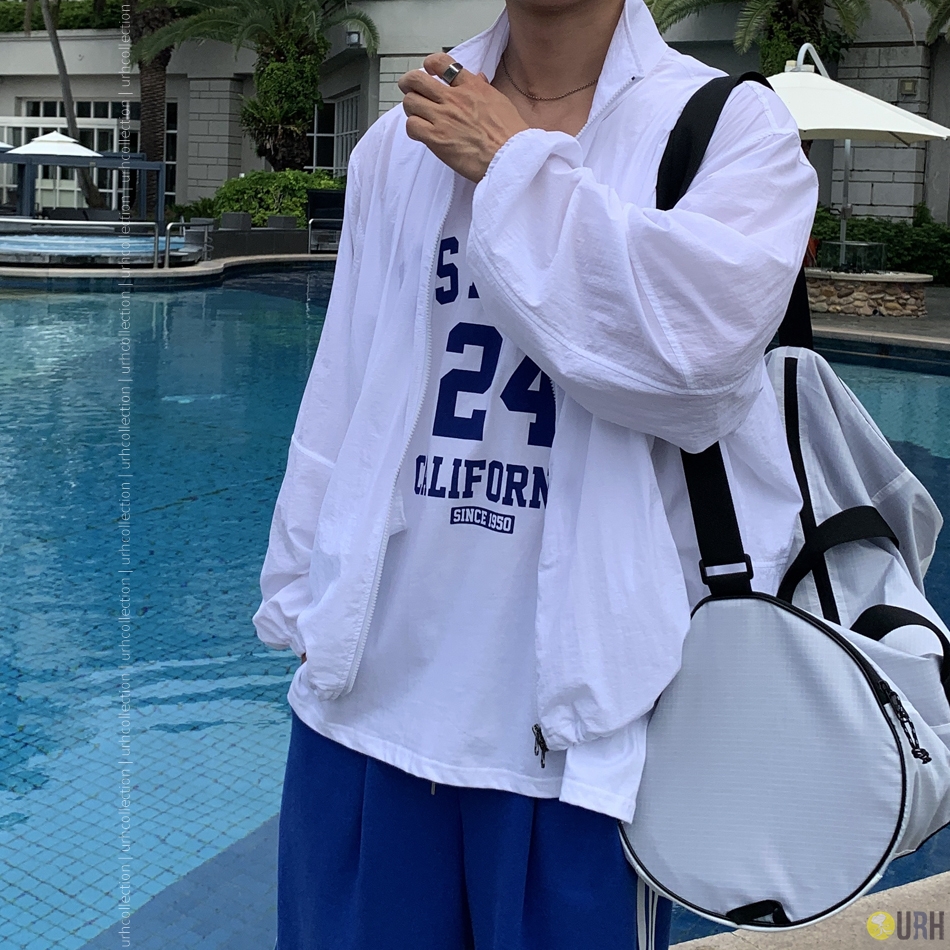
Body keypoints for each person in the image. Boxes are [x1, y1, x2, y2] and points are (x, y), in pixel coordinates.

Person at [253, 0, 818, 947]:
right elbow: (343, 384)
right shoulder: (400, 141)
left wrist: (510, 164)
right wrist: (303, 597)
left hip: (584, 733)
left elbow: (695, 369)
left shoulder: (728, 129)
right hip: (368, 706)